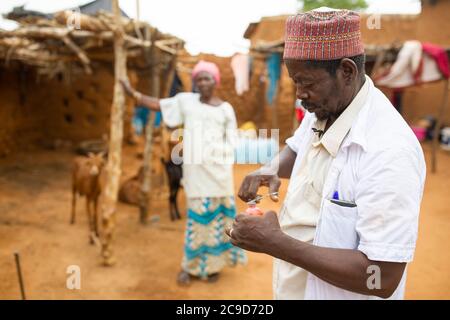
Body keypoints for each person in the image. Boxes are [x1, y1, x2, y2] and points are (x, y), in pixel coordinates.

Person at [228, 8, 426, 300]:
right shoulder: (326, 106)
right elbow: (299, 147)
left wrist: (276, 243)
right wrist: (269, 168)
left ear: (346, 71)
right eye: (295, 81)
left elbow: (381, 278)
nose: (299, 93)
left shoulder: (390, 151)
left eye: (306, 83)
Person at [121, 60, 247, 285]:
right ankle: (190, 268)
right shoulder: (187, 103)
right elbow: (160, 104)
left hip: (219, 176)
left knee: (219, 222)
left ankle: (213, 267)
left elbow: (232, 142)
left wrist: (213, 154)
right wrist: (134, 94)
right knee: (197, 221)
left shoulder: (226, 109)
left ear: (215, 81)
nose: (202, 83)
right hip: (196, 176)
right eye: (198, 79)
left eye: (207, 78)